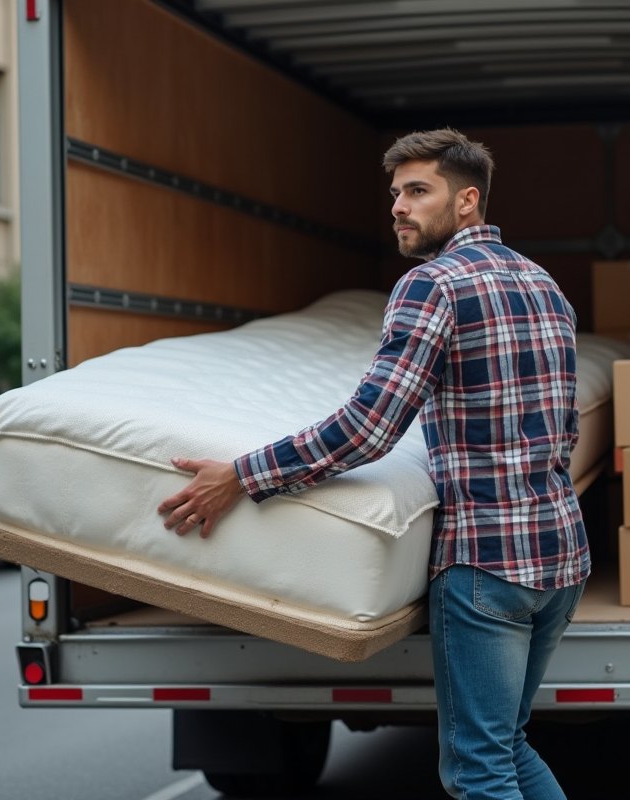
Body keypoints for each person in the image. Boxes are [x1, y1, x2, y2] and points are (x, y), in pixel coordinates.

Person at [156, 128, 587, 800]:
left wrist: (242, 474)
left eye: (418, 191)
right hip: (560, 559)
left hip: (489, 566)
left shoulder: (431, 286)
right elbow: (567, 431)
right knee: (506, 748)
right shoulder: (546, 286)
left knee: (479, 769)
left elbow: (368, 429)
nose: (399, 207)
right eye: (395, 193)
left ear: (467, 201)